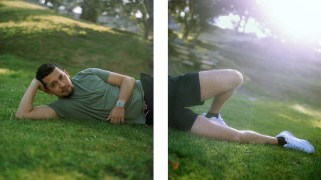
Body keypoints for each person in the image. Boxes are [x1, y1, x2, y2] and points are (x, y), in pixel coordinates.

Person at [168, 69, 315, 154]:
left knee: (235, 77)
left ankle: (213, 115)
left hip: (160, 89)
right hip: (161, 113)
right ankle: (283, 140)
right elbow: (238, 137)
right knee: (235, 137)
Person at [16, 63, 153, 126]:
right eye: (53, 85)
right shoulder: (61, 108)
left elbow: (128, 80)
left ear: (67, 74)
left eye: (61, 77)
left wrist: (120, 105)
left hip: (150, 89)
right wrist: (34, 83)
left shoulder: (89, 73)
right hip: (150, 116)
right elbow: (23, 114)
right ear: (48, 91)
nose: (62, 84)